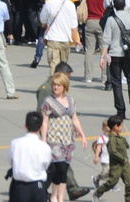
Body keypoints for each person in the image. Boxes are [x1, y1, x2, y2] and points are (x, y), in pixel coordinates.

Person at [41, 72, 88, 202]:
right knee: (60, 167)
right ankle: (54, 196)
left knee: (64, 169)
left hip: (68, 139)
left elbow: (74, 119)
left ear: (64, 86)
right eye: (54, 85)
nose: (55, 87)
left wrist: (83, 135)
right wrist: (44, 141)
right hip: (54, 138)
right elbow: (44, 122)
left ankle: (60, 197)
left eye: (58, 85)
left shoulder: (71, 101)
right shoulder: (48, 101)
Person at [100, 0, 130, 120]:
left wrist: (102, 56)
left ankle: (120, 111)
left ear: (114, 6)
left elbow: (106, 39)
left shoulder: (111, 20)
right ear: (125, 5)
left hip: (115, 54)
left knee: (116, 83)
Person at [8, 111, 52, 202]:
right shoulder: (45, 147)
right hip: (38, 186)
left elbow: (11, 161)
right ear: (40, 128)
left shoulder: (15, 143)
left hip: (19, 187)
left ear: (25, 125)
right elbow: (46, 165)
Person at [92, 115, 130, 202]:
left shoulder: (120, 138)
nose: (122, 127)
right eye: (121, 125)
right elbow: (113, 152)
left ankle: (128, 199)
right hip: (117, 165)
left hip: (125, 165)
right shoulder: (112, 140)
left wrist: (126, 144)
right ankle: (97, 193)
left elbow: (125, 145)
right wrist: (123, 159)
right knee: (112, 182)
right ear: (115, 127)